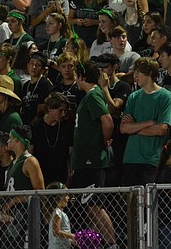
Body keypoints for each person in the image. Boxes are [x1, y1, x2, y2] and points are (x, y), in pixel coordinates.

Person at [69, 61, 117, 248]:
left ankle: (111, 243)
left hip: (92, 161)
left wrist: (103, 142)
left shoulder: (93, 95)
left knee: (95, 206)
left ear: (81, 76)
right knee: (88, 207)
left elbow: (108, 122)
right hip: (84, 162)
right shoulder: (89, 96)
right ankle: (93, 243)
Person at [120, 58, 171, 186]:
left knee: (147, 200)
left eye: (138, 72)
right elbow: (123, 128)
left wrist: (134, 127)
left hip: (150, 158)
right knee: (131, 202)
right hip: (130, 157)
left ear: (149, 73)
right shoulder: (134, 96)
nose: (135, 76)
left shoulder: (164, 96)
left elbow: (161, 129)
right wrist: (149, 123)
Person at [46, 182, 76, 249]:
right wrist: (71, 236)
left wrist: (70, 239)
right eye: (66, 195)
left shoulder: (59, 212)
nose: (68, 198)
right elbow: (56, 231)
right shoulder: (57, 212)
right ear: (58, 197)